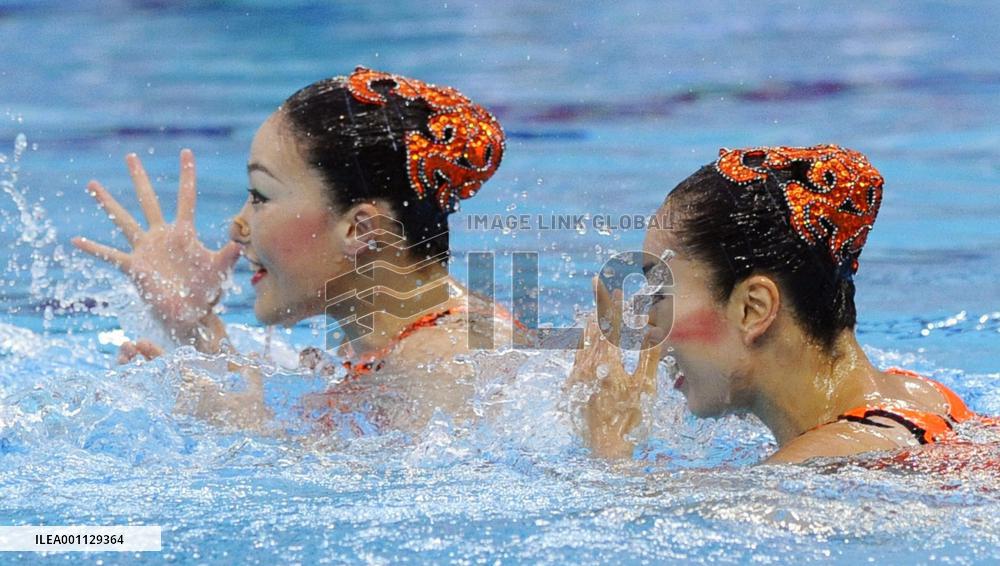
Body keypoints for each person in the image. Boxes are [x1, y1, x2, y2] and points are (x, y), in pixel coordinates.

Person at [72, 67, 518, 432]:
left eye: (262, 196)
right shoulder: (398, 344)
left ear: (359, 228)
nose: (237, 225)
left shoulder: (448, 365)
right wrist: (196, 324)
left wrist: (249, 435)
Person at [570, 144, 996, 463]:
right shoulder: (924, 395)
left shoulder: (832, 461)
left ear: (753, 308)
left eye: (661, 295)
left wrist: (609, 448)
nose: (647, 331)